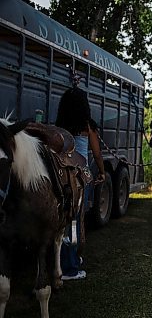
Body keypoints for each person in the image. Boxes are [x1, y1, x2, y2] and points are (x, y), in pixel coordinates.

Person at [56, 86, 105, 280]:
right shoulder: (88, 127)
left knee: (62, 221)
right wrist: (101, 172)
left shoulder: (59, 126)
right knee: (75, 222)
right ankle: (71, 268)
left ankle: (64, 260)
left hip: (61, 177)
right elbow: (97, 154)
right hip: (80, 178)